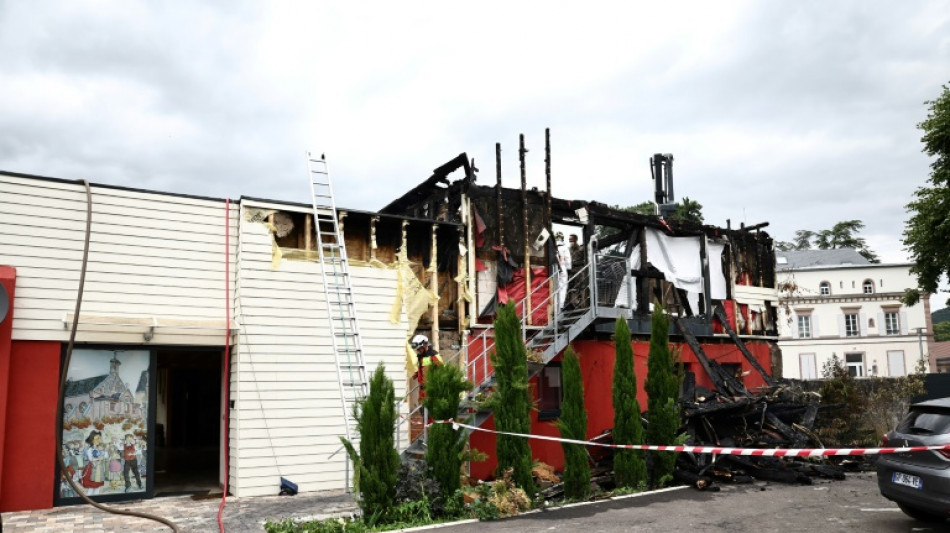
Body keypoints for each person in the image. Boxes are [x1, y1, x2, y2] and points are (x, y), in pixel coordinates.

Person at [80, 430, 106, 495]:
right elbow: (91, 459)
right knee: (92, 486)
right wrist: (98, 458)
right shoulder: (90, 449)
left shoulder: (99, 448)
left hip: (99, 467)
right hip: (92, 468)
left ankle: (96, 498)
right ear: (92, 440)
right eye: (97, 438)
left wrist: (103, 457)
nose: (99, 440)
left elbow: (104, 455)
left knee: (98, 486)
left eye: (100, 438)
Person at [555, 232, 571, 309]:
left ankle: (555, 305)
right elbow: (568, 260)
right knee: (563, 287)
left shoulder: (553, 248)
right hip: (563, 269)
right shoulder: (565, 248)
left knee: (555, 288)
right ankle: (561, 305)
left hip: (554, 270)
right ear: (562, 238)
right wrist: (569, 269)